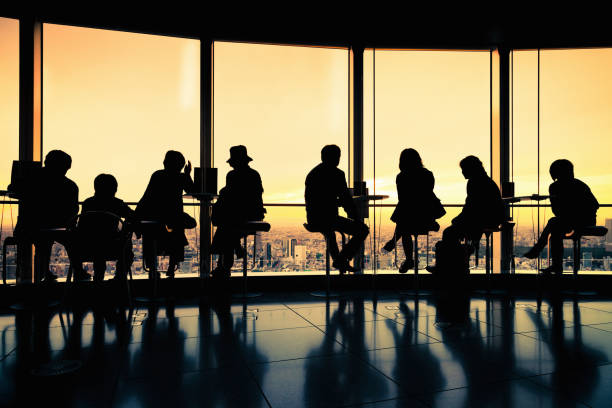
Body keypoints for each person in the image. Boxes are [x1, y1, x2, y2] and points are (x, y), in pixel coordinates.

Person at [9, 150, 86, 281]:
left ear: (46, 162)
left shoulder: (32, 178)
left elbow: (13, 189)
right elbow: (73, 210)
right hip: (60, 226)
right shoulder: (71, 186)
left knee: (43, 242)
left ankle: (42, 273)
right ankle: (78, 271)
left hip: (31, 226)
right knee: (71, 241)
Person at [427, 155, 504, 275]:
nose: (462, 172)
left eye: (464, 169)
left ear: (470, 169)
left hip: (481, 220)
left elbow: (471, 208)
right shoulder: (485, 181)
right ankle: (457, 264)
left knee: (449, 233)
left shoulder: (474, 182)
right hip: (489, 219)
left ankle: (446, 267)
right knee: (453, 232)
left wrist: (458, 220)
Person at [523, 159, 599, 274]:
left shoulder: (555, 187)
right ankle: (552, 262)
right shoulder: (580, 185)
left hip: (572, 221)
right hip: (587, 220)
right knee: (555, 232)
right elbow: (595, 204)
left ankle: (542, 252)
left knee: (554, 223)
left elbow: (557, 212)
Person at [305, 144, 369, 274]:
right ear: (336, 157)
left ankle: (339, 261)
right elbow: (346, 200)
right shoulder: (337, 174)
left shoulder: (313, 173)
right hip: (330, 218)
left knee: (330, 234)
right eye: (338, 156)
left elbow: (314, 199)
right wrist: (355, 218)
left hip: (314, 218)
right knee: (362, 229)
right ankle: (342, 259)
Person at [382, 148, 445, 273]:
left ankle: (405, 255)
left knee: (404, 219)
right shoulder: (427, 174)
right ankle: (395, 242)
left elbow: (403, 200)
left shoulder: (401, 176)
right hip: (426, 217)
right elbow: (427, 197)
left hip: (408, 218)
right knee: (405, 219)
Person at [136, 151, 196, 278]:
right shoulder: (181, 177)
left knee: (151, 236)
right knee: (182, 227)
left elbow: (146, 198)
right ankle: (172, 266)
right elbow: (193, 191)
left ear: (165, 163)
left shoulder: (157, 175)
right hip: (174, 217)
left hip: (155, 218)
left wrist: (137, 217)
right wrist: (187, 175)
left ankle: (152, 268)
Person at [210, 145, 265, 278]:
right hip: (251, 215)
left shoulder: (232, 176)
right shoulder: (254, 175)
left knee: (226, 229)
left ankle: (223, 266)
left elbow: (229, 196)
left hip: (235, 217)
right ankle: (233, 253)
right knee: (228, 229)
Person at [76, 174, 136, 282]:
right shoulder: (117, 203)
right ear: (114, 189)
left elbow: (81, 227)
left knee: (98, 246)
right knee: (127, 251)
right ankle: (120, 277)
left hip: (88, 247)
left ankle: (96, 278)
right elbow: (134, 216)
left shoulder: (88, 203)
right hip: (113, 247)